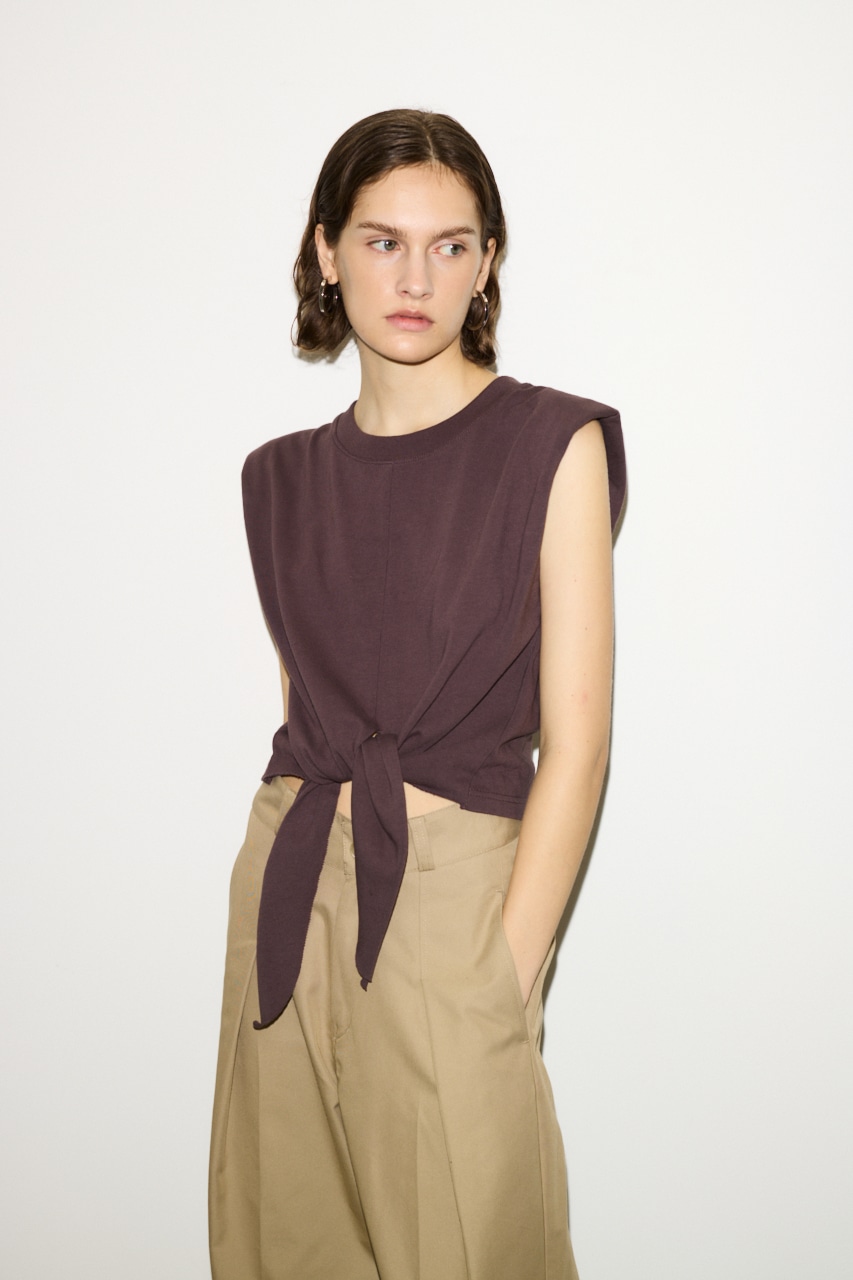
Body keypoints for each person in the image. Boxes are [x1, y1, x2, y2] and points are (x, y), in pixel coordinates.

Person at [209, 108, 626, 1280]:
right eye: (382, 241)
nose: (414, 278)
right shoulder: (279, 478)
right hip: (289, 886)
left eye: (449, 246)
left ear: (486, 262)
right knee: (288, 1241)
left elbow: (579, 742)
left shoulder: (551, 442)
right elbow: (307, 715)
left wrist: (506, 969)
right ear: (326, 250)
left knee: (473, 1244)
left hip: (454, 897)